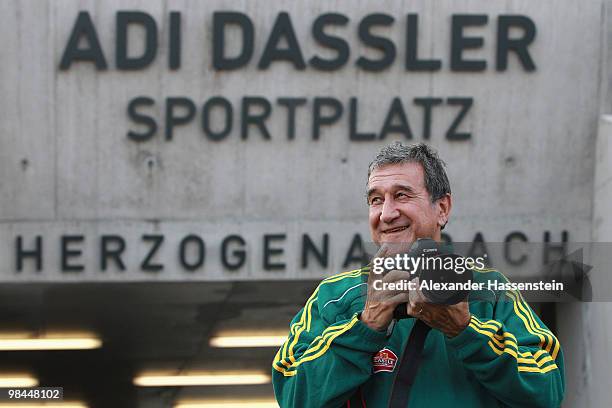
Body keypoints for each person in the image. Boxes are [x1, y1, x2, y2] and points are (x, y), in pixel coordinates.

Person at [272, 142, 565, 407]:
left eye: (401, 195)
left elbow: (547, 390)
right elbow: (293, 395)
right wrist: (366, 325)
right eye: (376, 200)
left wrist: (465, 331)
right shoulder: (335, 296)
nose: (386, 213)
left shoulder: (489, 290)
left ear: (442, 208)